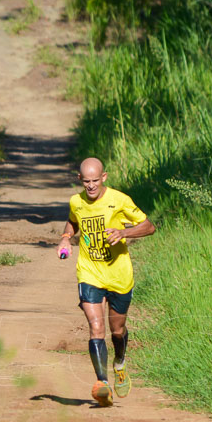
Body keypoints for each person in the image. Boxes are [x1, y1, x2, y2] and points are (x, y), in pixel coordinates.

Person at [57, 157, 156, 406]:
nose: (90, 186)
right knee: (96, 326)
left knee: (117, 330)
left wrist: (124, 232)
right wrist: (66, 237)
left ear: (104, 178)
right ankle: (102, 384)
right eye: (86, 182)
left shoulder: (119, 200)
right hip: (90, 272)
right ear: (80, 179)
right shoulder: (76, 201)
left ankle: (120, 363)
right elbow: (73, 220)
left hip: (119, 274)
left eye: (95, 181)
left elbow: (149, 226)